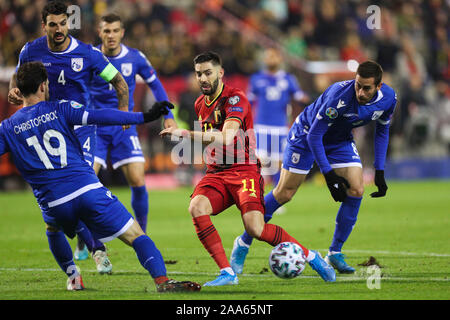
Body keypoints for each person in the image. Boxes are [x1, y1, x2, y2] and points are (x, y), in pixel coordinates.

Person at [0, 61, 201, 293]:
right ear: (43, 86)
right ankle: (162, 281)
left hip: (54, 202)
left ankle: (73, 276)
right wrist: (144, 117)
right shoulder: (61, 108)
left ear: (19, 89)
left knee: (52, 229)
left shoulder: (7, 127)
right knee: (136, 235)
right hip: (86, 189)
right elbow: (102, 116)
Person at [160, 51, 336, 286]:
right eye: (198, 74)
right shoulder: (200, 103)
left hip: (244, 172)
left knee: (256, 228)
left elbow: (226, 137)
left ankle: (312, 257)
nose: (202, 78)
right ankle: (227, 273)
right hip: (217, 173)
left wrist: (183, 134)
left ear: (220, 73)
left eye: (208, 73)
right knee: (196, 207)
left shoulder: (235, 99)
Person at [230, 60, 397, 275]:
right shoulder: (339, 98)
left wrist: (380, 171)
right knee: (284, 193)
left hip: (339, 140)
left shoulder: (389, 99)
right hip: (305, 135)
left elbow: (382, 131)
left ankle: (335, 253)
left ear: (379, 87)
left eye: (366, 88)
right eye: (358, 85)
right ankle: (243, 243)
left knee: (356, 189)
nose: (360, 92)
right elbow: (315, 135)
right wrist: (329, 175)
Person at [7, 1, 129, 272]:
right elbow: (17, 83)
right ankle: (95, 247)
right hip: (48, 130)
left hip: (81, 129)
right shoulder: (30, 51)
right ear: (44, 26)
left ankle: (96, 247)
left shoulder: (88, 54)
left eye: (63, 23)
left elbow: (119, 82)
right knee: (61, 198)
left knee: (84, 186)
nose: (59, 28)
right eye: (53, 24)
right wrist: (14, 92)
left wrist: (123, 111)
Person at [88, 13, 177, 255]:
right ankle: (87, 240)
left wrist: (168, 114)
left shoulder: (135, 58)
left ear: (122, 32)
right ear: (100, 32)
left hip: (124, 127)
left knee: (138, 180)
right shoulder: (90, 56)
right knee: (88, 183)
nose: (111, 35)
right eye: (106, 31)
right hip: (95, 127)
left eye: (115, 30)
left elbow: (156, 84)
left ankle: (143, 236)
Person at [248, 47, 308, 188]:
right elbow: (249, 101)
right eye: (268, 56)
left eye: (274, 56)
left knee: (278, 163)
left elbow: (300, 97)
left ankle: (275, 197)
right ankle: (256, 196)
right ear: (264, 59)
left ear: (280, 59)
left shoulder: (288, 79)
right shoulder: (256, 79)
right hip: (261, 126)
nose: (271, 59)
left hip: (280, 127)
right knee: (260, 163)